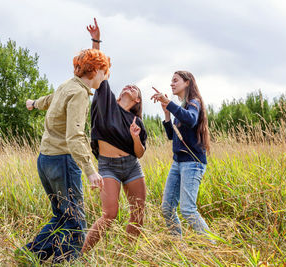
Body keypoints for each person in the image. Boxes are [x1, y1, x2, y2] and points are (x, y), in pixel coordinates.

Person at [22, 48, 110, 263]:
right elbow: (74, 137)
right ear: (96, 70)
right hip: (62, 161)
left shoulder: (67, 85)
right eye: (105, 72)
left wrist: (34, 103)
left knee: (62, 216)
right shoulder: (79, 93)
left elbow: (51, 99)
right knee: (75, 220)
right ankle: (66, 262)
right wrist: (90, 171)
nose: (106, 77)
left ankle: (31, 255)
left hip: (45, 160)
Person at [81, 18, 148, 254]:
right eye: (127, 85)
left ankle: (125, 255)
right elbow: (99, 67)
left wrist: (135, 137)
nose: (130, 87)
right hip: (107, 166)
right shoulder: (106, 99)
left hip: (132, 166)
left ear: (137, 100)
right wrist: (96, 40)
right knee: (110, 214)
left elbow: (139, 152)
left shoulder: (137, 122)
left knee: (138, 213)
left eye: (135, 88)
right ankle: (81, 255)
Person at [151, 71, 213, 241]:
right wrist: (166, 113)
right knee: (167, 208)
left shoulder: (194, 102)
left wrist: (169, 103)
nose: (171, 84)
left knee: (187, 209)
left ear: (187, 83)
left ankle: (213, 245)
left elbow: (191, 120)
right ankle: (178, 246)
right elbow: (172, 135)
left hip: (192, 163)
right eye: (171, 81)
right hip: (178, 162)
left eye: (175, 80)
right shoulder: (182, 107)